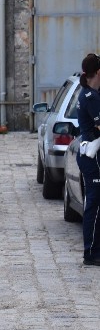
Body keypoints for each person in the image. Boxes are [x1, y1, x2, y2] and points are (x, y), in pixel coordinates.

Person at [76, 52, 100, 265]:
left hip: (91, 155)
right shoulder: (90, 96)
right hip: (93, 157)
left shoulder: (90, 93)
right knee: (95, 203)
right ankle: (91, 252)